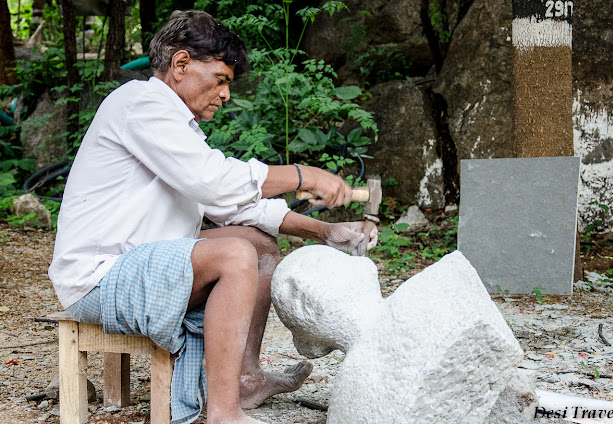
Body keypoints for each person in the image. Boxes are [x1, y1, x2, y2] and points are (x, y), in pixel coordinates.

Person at [48, 9, 377, 424]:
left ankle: (244, 377)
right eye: (220, 80)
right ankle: (224, 414)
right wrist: (301, 175)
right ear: (181, 63)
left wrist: (324, 230)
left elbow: (237, 205)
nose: (224, 94)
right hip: (99, 276)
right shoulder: (140, 103)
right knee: (235, 255)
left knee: (257, 243)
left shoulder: (175, 126)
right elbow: (215, 182)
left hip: (142, 262)